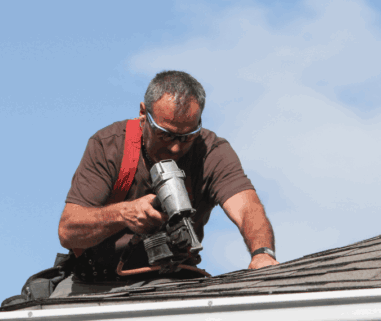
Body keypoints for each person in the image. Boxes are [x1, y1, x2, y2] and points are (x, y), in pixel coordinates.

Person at [52, 70, 278, 297]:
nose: (176, 148)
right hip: (94, 282)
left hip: (172, 280)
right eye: (165, 135)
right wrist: (123, 214)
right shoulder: (109, 146)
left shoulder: (212, 153)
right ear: (143, 114)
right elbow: (68, 231)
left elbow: (246, 208)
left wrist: (262, 253)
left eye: (187, 136)